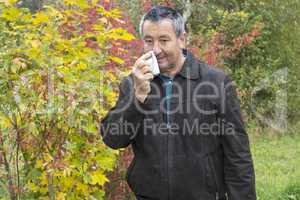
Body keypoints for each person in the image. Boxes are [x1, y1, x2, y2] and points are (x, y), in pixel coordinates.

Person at [100, 6, 256, 200]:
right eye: (149, 41)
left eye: (164, 40)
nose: (155, 50)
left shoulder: (215, 82)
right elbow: (113, 139)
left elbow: (238, 156)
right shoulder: (134, 82)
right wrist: (137, 97)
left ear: (182, 39)